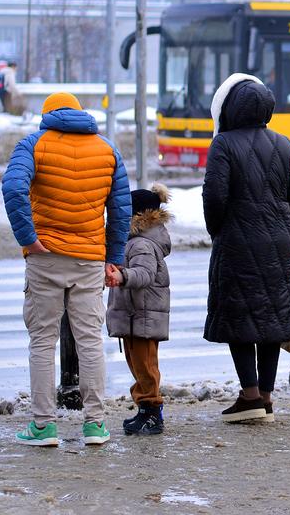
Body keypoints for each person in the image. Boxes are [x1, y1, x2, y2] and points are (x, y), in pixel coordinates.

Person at [1, 92, 130, 446]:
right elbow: (121, 209)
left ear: (47, 115)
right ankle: (95, 425)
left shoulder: (33, 144)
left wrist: (28, 239)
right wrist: (114, 257)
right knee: (90, 341)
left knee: (43, 340)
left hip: (45, 256)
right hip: (89, 258)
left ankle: (44, 426)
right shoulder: (107, 149)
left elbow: (13, 188)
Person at [202, 73, 290, 423]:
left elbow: (214, 197)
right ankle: (265, 397)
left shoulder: (223, 144)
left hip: (238, 242)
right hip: (279, 244)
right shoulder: (284, 144)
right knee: (271, 320)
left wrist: (217, 230)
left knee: (239, 317)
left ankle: (249, 396)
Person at [106, 183, 173, 436]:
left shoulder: (142, 244)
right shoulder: (136, 241)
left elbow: (144, 274)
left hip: (142, 316)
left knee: (145, 367)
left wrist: (122, 276)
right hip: (136, 316)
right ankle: (146, 409)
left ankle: (151, 412)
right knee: (138, 364)